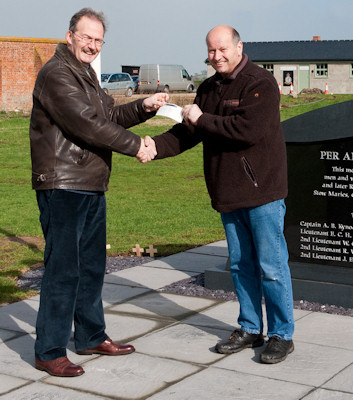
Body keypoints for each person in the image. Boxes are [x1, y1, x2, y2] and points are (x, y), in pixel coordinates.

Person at [29, 8, 167, 377]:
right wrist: (138, 146)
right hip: (62, 183)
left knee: (91, 267)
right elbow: (87, 126)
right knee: (64, 269)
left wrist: (143, 107)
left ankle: (90, 335)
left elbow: (109, 117)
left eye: (98, 40)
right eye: (86, 37)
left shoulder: (86, 74)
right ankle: (50, 349)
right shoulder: (56, 74)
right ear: (70, 35)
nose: (91, 45)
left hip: (90, 183)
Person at [147, 25, 295, 364]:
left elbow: (247, 130)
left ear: (239, 46)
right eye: (211, 51)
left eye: (222, 49)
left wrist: (203, 119)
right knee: (241, 265)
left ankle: (281, 334)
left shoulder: (260, 83)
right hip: (228, 192)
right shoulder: (209, 87)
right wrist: (152, 147)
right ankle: (250, 327)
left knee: (271, 266)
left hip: (262, 192)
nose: (216, 57)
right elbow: (187, 133)